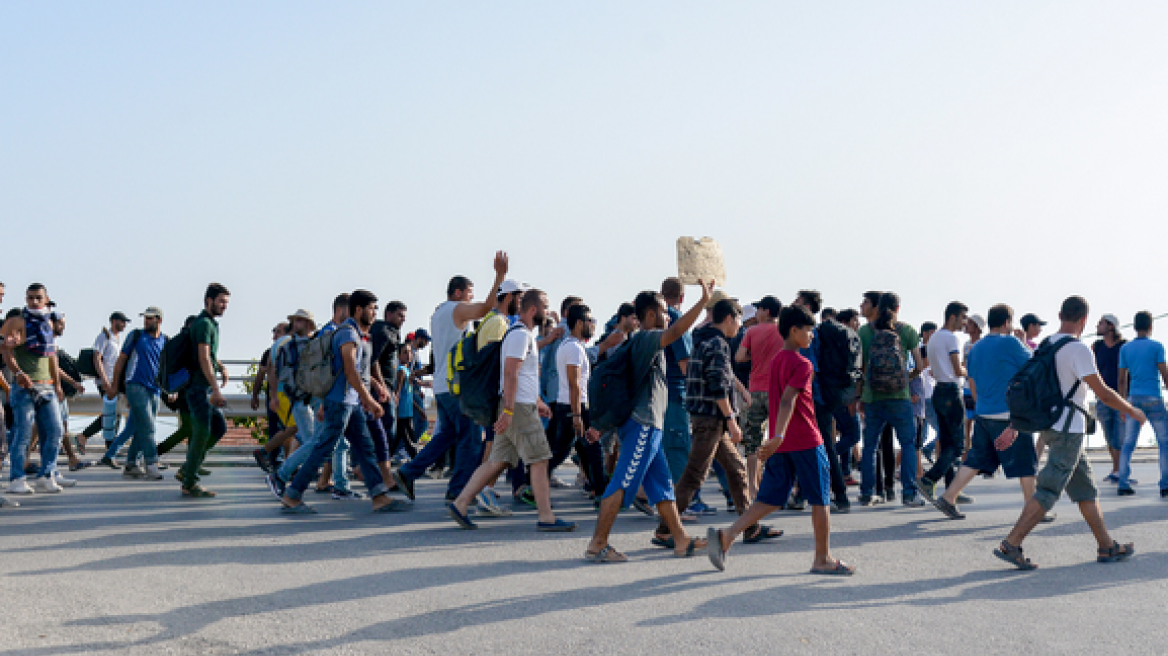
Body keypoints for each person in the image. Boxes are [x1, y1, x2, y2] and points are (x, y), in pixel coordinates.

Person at [993, 296, 1143, 570]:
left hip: (1051, 425)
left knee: (1086, 490)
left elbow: (1033, 387)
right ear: (1084, 319)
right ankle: (1011, 543)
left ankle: (1106, 545)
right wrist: (1132, 410)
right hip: (1067, 430)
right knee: (1049, 489)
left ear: (1060, 314)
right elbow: (1103, 393)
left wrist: (1016, 424)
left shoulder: (1048, 343)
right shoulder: (1078, 350)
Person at [707, 304, 853, 576]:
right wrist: (778, 435)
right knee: (821, 501)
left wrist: (776, 437)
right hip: (804, 440)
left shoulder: (777, 361)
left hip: (781, 441)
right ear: (793, 330)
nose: (812, 335)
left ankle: (728, 534)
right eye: (808, 331)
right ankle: (822, 558)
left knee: (771, 499)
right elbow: (787, 401)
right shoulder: (802, 364)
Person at [584, 280, 712, 563]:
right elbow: (678, 331)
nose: (669, 317)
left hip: (649, 426)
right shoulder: (646, 338)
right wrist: (703, 301)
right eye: (665, 312)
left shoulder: (642, 342)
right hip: (643, 425)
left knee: (662, 486)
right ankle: (597, 543)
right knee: (621, 483)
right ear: (651, 315)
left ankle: (680, 539)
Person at [447, 289, 575, 531]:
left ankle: (461, 503)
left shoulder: (521, 335)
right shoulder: (519, 336)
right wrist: (508, 411)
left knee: (499, 460)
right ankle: (546, 516)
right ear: (534, 310)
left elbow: (522, 375)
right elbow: (510, 373)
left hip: (520, 405)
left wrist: (538, 401)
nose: (548, 312)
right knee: (540, 459)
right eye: (546, 307)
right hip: (518, 408)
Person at [658, 298, 776, 546]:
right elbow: (718, 384)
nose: (739, 327)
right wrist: (731, 420)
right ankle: (666, 529)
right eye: (737, 321)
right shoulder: (718, 344)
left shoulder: (703, 339)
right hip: (712, 419)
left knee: (737, 470)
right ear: (729, 319)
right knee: (694, 476)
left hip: (709, 418)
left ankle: (750, 527)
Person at [393, 252, 509, 503]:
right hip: (456, 387)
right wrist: (499, 277)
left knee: (447, 436)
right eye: (469, 292)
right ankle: (457, 491)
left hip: (443, 386)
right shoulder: (456, 310)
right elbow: (486, 308)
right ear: (457, 293)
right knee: (471, 440)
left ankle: (407, 472)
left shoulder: (438, 314)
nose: (471, 298)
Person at [279, 290, 405, 514]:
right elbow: (350, 370)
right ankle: (292, 495)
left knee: (365, 448)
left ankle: (379, 496)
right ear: (358, 310)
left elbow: (360, 369)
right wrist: (370, 400)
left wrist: (370, 391)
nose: (375, 312)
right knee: (322, 449)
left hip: (350, 402)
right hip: (341, 402)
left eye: (376, 308)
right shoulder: (348, 334)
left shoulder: (359, 333)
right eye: (371, 308)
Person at [927, 304, 1052, 522]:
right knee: (1026, 463)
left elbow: (971, 378)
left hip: (983, 412)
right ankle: (1034, 510)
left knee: (976, 459)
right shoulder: (1012, 343)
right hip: (1008, 414)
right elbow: (1036, 364)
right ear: (1007, 322)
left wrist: (979, 405)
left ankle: (948, 497)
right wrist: (1022, 341)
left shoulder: (975, 347)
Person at [857, 292, 925, 506]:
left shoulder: (865, 331)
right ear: (897, 309)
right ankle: (908, 493)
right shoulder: (907, 331)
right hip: (899, 396)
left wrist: (860, 394)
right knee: (907, 443)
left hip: (872, 396)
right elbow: (920, 366)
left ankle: (867, 493)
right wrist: (905, 378)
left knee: (869, 446)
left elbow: (860, 367)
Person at [1, 283, 67, 494]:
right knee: (23, 433)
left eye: (38, 298)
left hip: (47, 386)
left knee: (56, 430)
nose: (34, 302)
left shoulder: (48, 322)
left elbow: (52, 356)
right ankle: (17, 478)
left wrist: (58, 384)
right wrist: (18, 373)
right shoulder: (18, 321)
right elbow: (6, 350)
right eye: (30, 298)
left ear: (46, 299)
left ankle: (47, 474)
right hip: (25, 387)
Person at [546, 304, 607, 499]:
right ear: (579, 323)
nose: (593, 325)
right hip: (575, 406)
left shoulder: (571, 345)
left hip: (570, 405)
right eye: (590, 321)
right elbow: (574, 384)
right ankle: (601, 493)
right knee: (589, 449)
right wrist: (577, 415)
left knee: (575, 450)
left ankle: (597, 489)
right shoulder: (572, 348)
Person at [178, 283, 232, 498]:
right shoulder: (203, 324)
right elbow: (202, 357)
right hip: (198, 388)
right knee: (202, 432)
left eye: (226, 303)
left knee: (218, 427)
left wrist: (220, 367)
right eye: (221, 301)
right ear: (208, 300)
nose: (224, 306)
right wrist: (216, 389)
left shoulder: (209, 324)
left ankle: (188, 469)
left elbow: (207, 354)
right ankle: (189, 481)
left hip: (203, 387)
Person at [108, 307, 169, 480]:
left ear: (159, 320)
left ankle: (131, 464)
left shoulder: (165, 340)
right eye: (145, 318)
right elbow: (120, 362)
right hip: (135, 385)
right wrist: (115, 386)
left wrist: (171, 390)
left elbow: (168, 368)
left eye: (150, 318)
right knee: (149, 426)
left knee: (140, 427)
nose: (146, 321)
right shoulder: (135, 336)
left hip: (155, 389)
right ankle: (151, 463)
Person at [265, 310, 320, 499]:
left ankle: (290, 480)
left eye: (300, 320)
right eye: (295, 320)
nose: (296, 324)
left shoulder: (287, 347)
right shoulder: (303, 346)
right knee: (314, 443)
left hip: (298, 400)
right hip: (303, 400)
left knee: (310, 441)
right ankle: (281, 475)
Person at [917, 302, 968, 498]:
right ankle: (929, 479)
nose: (964, 323)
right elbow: (957, 370)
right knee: (957, 446)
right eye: (963, 318)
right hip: (951, 391)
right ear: (953, 317)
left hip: (938, 390)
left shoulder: (935, 337)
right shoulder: (951, 338)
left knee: (946, 442)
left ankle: (952, 489)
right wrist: (967, 369)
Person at [734, 295, 782, 500]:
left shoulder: (751, 331)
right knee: (777, 439)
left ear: (766, 311)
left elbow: (738, 357)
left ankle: (753, 488)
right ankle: (779, 484)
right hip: (777, 391)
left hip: (754, 390)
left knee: (752, 442)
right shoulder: (785, 331)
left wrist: (755, 355)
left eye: (759, 310)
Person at [1115, 311, 1168, 497]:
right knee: (1164, 442)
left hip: (1133, 399)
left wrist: (1122, 404)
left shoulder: (1125, 349)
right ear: (1151, 326)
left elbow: (1121, 380)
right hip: (1154, 398)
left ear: (1135, 326)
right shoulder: (1157, 346)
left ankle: (1122, 483)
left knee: (1128, 442)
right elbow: (1164, 373)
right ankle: (1165, 485)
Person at [81, 311, 131, 450]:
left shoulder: (116, 339)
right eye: (122, 321)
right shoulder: (104, 336)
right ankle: (88, 438)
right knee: (111, 414)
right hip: (106, 381)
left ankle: (110, 447)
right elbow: (97, 358)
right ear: (114, 321)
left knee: (114, 415)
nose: (124, 324)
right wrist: (104, 380)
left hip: (114, 382)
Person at [250, 322, 290, 471]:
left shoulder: (290, 349)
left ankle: (283, 461)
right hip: (275, 397)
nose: (274, 336)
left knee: (288, 429)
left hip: (288, 397)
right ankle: (276, 461)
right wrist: (255, 395)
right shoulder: (269, 352)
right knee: (277, 428)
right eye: (274, 332)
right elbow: (260, 375)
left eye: (277, 332)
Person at [1092, 314, 1126, 482]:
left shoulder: (1123, 346)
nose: (1097, 326)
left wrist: (1126, 400)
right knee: (1109, 436)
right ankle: (1116, 470)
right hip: (1102, 398)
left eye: (1101, 323)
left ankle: (1120, 470)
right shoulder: (1097, 346)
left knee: (1120, 436)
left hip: (1121, 398)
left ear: (1111, 326)